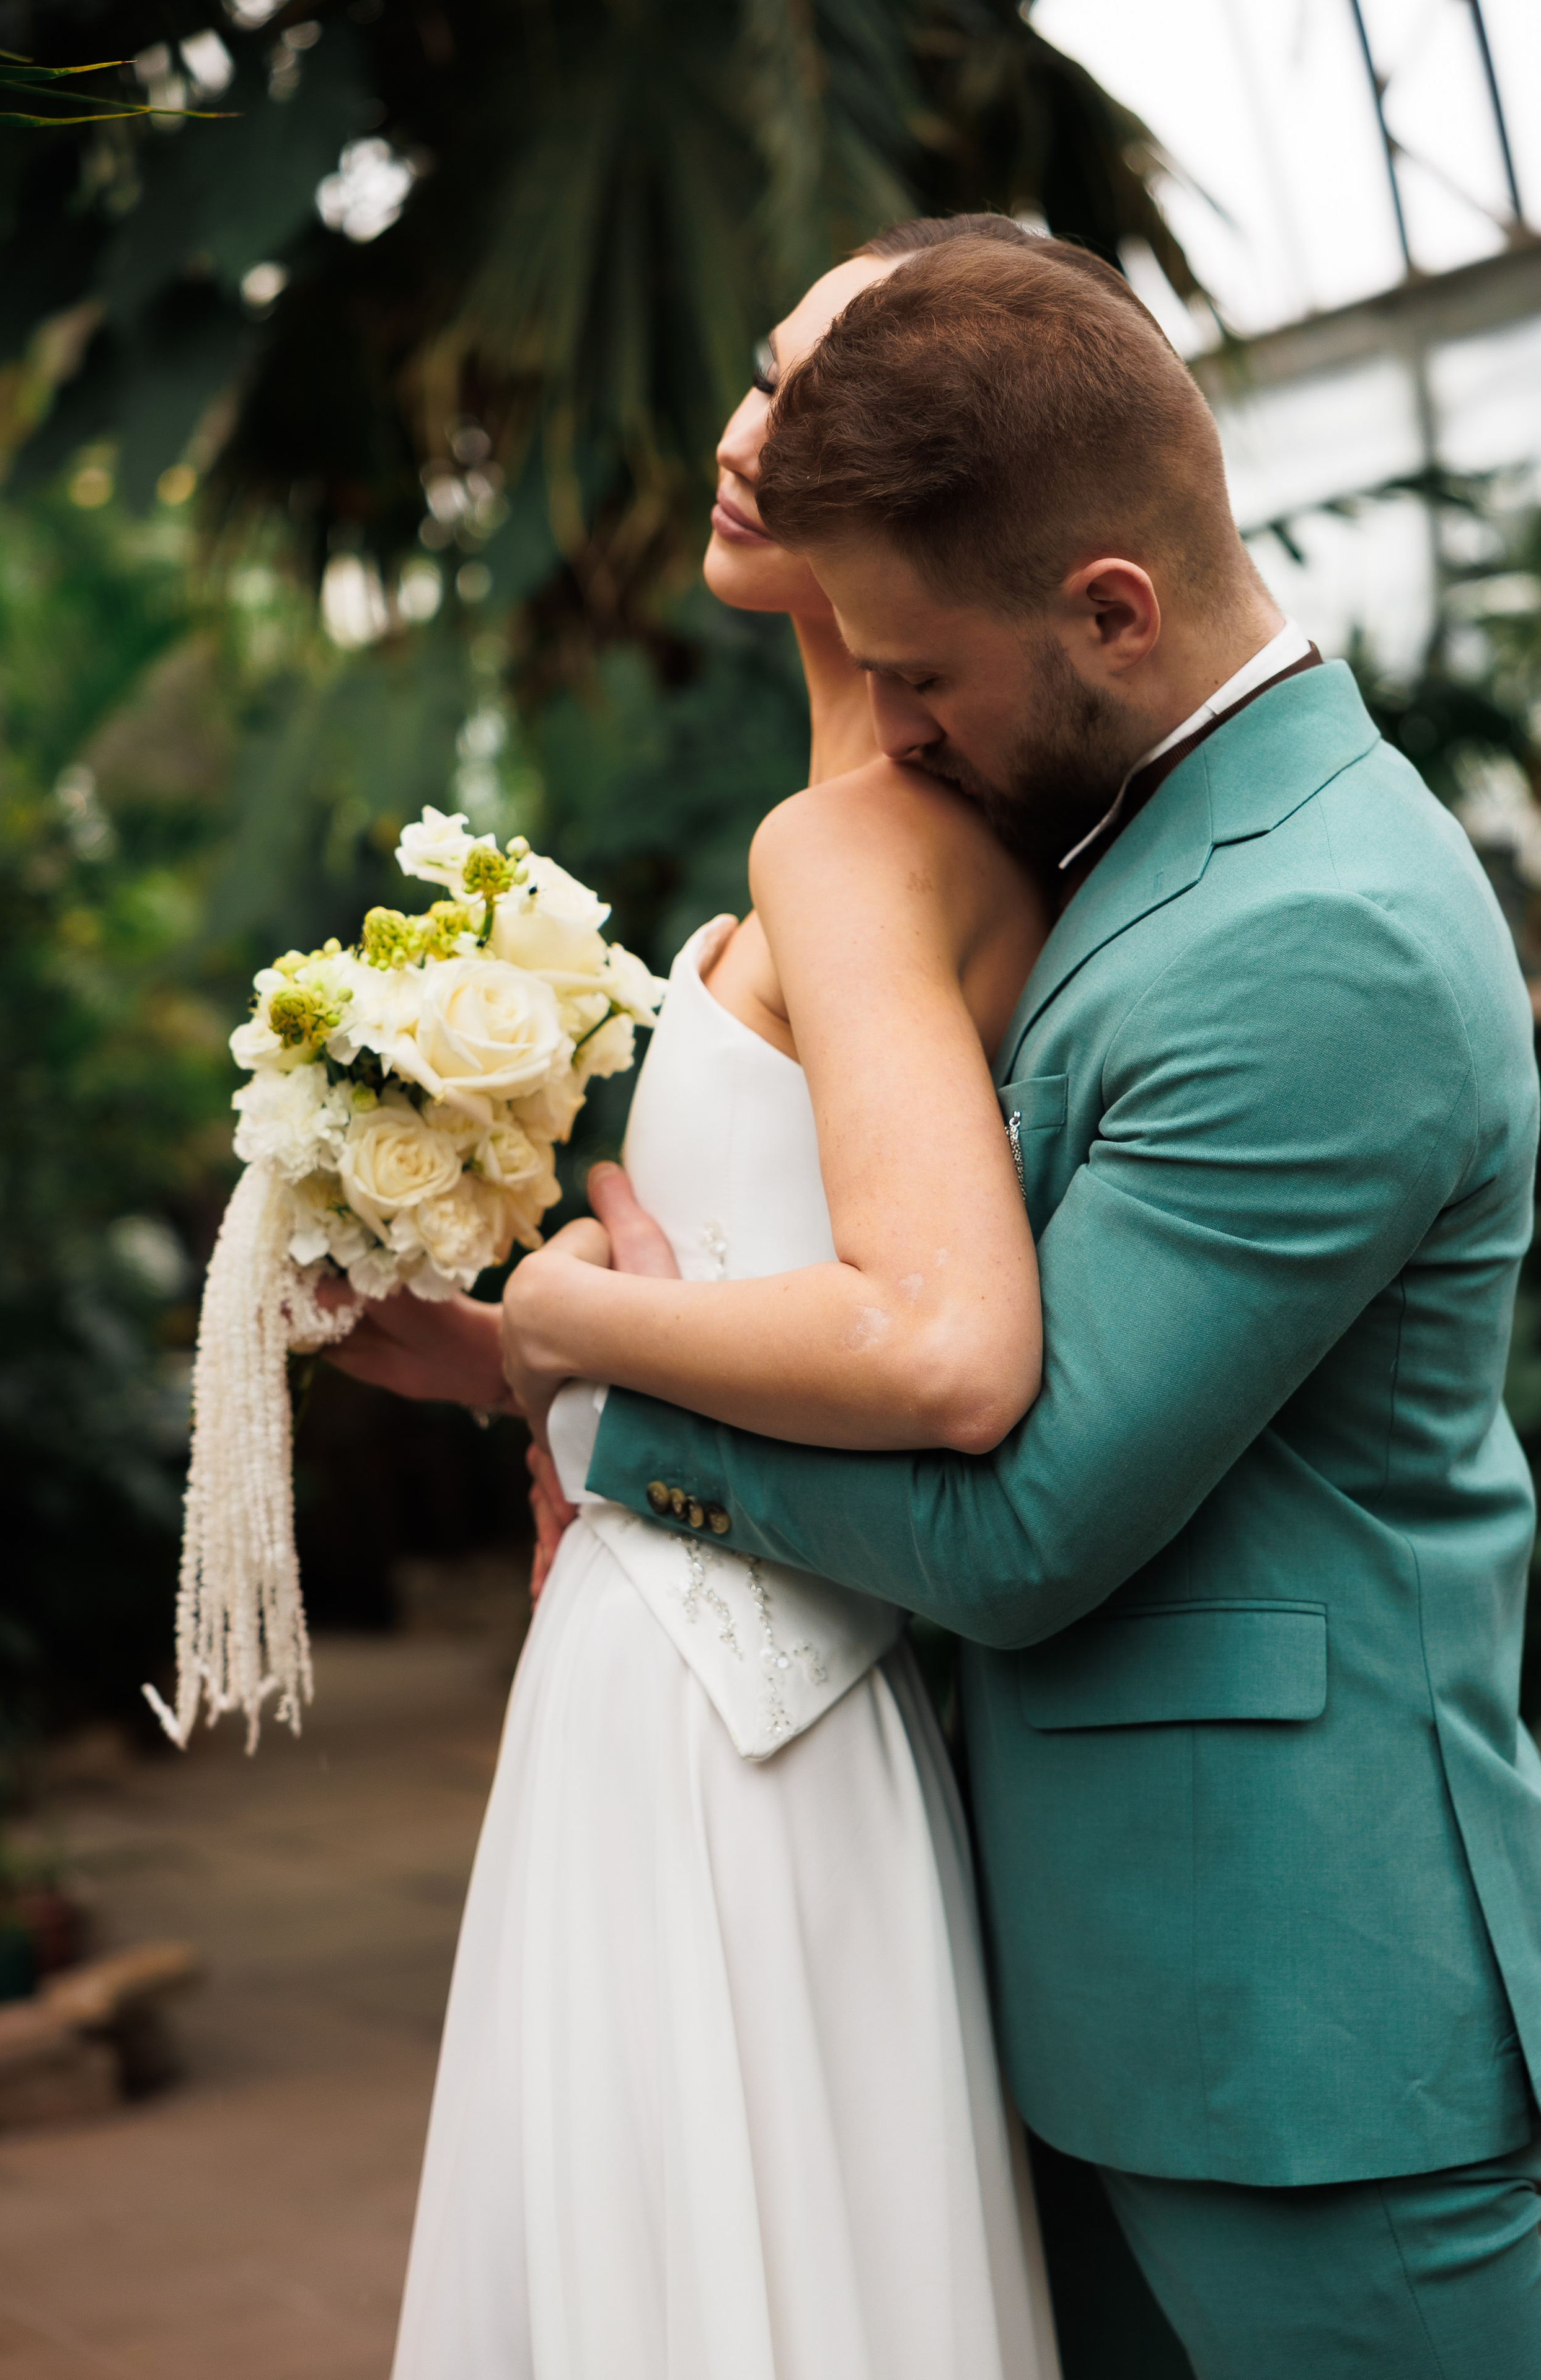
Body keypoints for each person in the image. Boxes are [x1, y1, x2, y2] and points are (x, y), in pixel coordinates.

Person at [521, 236, 1541, 2379]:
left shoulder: (1320, 936)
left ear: (1109, 609)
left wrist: (603, 1411)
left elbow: (1027, 1522)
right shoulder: (1136, 828)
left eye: (922, 678)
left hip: (1306, 2033)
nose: (890, 732)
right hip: (1086, 1984)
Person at [336, 220, 1083, 2380]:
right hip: (665, 1676)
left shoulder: (874, 848)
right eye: (764, 379)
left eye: (829, 400)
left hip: (732, 1723)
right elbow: (785, 1302)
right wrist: (501, 1362)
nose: (753, 439)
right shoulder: (841, 833)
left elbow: (939, 1339)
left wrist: (581, 1336)